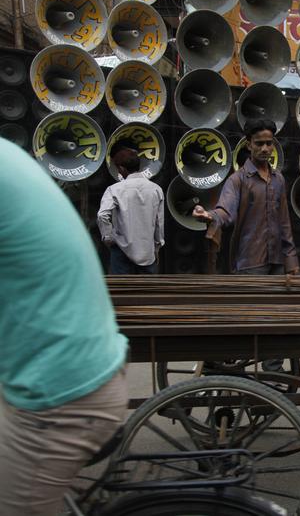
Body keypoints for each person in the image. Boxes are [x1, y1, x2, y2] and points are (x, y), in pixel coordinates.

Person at [0, 139, 129, 515]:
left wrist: (113, 241)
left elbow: (105, 224)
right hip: (80, 364)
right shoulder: (9, 155)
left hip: (60, 392)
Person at [193, 119, 299, 275]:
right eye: (259, 143)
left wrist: (291, 260)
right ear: (249, 145)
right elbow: (225, 210)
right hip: (249, 262)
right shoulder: (237, 180)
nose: (264, 149)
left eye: (269, 143)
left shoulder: (278, 178)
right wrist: (210, 215)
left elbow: (284, 222)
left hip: (277, 261)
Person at [97, 145, 165, 274]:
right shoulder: (156, 189)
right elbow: (159, 222)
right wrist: (157, 246)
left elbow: (102, 215)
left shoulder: (114, 189)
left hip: (121, 251)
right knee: (147, 292)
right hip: (148, 252)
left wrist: (108, 237)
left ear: (122, 168)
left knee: (123, 291)